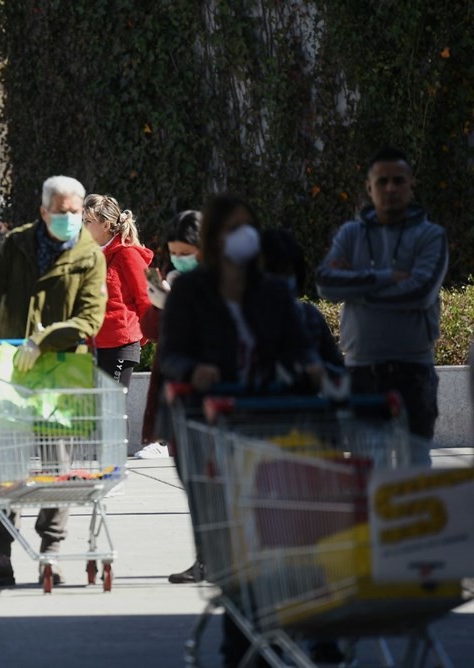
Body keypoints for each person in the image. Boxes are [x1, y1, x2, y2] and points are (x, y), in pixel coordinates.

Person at [158, 194, 320, 668]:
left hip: (264, 426)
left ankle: (266, 634)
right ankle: (240, 645)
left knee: (269, 542)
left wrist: (314, 371)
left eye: (246, 227)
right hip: (207, 431)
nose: (241, 237)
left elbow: (300, 348)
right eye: (230, 230)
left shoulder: (270, 292)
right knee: (235, 549)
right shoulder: (191, 293)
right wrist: (196, 370)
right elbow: (171, 357)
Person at [0, 175, 108, 586]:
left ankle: (51, 547)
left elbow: (91, 317)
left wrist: (45, 339)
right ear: (44, 211)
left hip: (60, 369)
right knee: (10, 462)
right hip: (11, 369)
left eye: (75, 212)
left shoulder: (90, 256)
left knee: (59, 464)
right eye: (62, 212)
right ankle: (1, 551)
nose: (70, 218)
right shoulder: (19, 244)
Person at [316, 147, 448, 466]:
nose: (390, 188)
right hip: (362, 372)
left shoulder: (432, 236)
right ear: (369, 187)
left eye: (398, 181)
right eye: (383, 181)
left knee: (413, 472)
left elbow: (420, 292)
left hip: (413, 372)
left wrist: (357, 289)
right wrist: (387, 277)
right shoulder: (351, 234)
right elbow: (325, 283)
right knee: (366, 471)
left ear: (411, 185)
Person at [136, 210, 202, 462]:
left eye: (186, 253)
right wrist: (160, 304)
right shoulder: (170, 275)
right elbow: (151, 331)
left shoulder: (221, 281)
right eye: (174, 253)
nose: (179, 259)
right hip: (173, 378)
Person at [83, 194, 153, 387]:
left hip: (121, 345)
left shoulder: (127, 254)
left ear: (106, 225)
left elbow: (145, 298)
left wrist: (138, 337)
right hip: (94, 344)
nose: (83, 226)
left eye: (88, 221)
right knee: (99, 410)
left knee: (113, 407)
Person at [261, 229, 343, 369]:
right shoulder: (245, 322)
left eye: (287, 273)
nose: (282, 283)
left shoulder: (311, 317)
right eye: (275, 273)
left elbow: (337, 369)